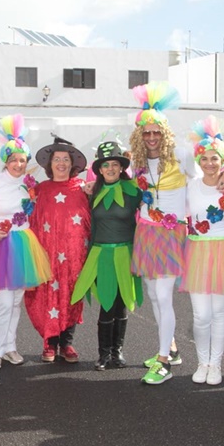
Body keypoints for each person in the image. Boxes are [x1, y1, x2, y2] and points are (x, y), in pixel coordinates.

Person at [129, 82, 191, 385]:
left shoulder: (182, 155)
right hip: (146, 231)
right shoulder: (138, 162)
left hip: (170, 233)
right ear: (139, 135)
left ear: (165, 133)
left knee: (164, 295)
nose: (152, 138)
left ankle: (164, 362)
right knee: (153, 294)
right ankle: (171, 348)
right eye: (146, 133)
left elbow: (207, 177)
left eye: (156, 132)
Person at [0, 115, 51, 368]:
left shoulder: (29, 184)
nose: (18, 164)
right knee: (4, 302)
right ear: (6, 161)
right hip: (1, 245)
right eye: (13, 160)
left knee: (16, 302)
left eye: (22, 160)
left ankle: (9, 346)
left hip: (24, 244)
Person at [182, 117, 224, 386]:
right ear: (199, 160)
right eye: (204, 158)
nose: (209, 163)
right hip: (197, 253)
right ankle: (202, 362)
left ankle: (215, 364)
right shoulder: (190, 187)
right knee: (201, 315)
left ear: (223, 160)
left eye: (214, 158)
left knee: (219, 313)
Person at [71, 141, 142, 370]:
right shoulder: (92, 192)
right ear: (99, 169)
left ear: (121, 167)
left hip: (125, 253)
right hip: (101, 254)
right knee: (107, 304)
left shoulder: (134, 190)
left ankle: (117, 352)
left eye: (114, 164)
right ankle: (103, 354)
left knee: (121, 304)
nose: (110, 168)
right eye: (105, 165)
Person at [26, 136, 90, 363]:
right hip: (47, 253)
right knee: (48, 293)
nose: (61, 163)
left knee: (72, 294)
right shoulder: (39, 190)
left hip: (75, 254)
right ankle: (49, 343)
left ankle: (67, 343)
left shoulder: (83, 189)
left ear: (72, 164)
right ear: (49, 163)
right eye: (57, 159)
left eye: (65, 159)